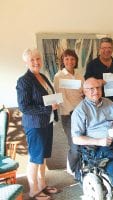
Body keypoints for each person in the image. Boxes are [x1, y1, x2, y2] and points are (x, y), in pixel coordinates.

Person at [16, 48, 61, 199]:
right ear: (26, 62)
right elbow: (24, 107)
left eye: (38, 59)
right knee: (35, 158)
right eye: (32, 60)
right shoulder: (24, 81)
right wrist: (47, 107)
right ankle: (34, 190)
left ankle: (42, 185)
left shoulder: (42, 76)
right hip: (35, 125)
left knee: (42, 157)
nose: (36, 62)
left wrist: (54, 103)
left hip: (47, 122)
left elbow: (48, 97)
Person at [53, 49, 84, 179]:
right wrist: (73, 111)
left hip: (82, 113)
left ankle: (75, 168)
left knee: (82, 142)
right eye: (67, 59)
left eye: (72, 59)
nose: (70, 61)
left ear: (75, 60)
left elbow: (84, 92)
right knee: (75, 144)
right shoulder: (58, 76)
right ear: (63, 61)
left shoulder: (79, 75)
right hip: (68, 114)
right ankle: (74, 170)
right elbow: (60, 98)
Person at [84, 37, 113, 109]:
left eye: (109, 47)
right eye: (103, 48)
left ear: (112, 49)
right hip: (98, 104)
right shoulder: (92, 64)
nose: (106, 50)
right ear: (99, 49)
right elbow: (86, 86)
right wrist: (97, 82)